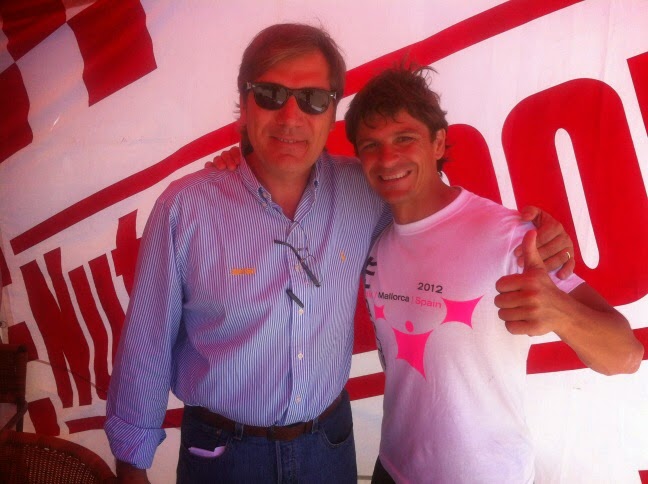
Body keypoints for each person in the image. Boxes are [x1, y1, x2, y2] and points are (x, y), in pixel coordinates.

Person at [106, 24, 575, 483]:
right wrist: (131, 465)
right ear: (243, 105)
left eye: (312, 99)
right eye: (270, 95)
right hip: (223, 455)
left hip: (327, 449)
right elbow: (146, 343)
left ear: (332, 113)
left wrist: (535, 230)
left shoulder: (365, 189)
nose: (290, 117)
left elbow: (436, 212)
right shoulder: (186, 207)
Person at [342, 66, 644, 483]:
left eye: (404, 138)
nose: (388, 158)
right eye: (371, 145)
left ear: (438, 142)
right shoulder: (376, 239)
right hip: (392, 468)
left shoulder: (511, 236)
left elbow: (626, 356)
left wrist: (561, 312)